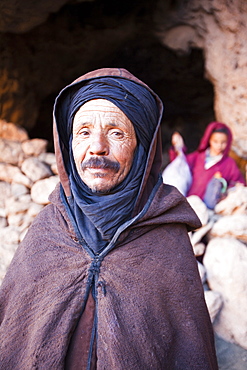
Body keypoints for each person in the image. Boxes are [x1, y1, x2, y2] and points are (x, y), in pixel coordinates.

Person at [0, 68, 218, 369]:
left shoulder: (167, 241)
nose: (97, 146)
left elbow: (188, 352)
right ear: (68, 146)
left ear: (141, 147)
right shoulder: (47, 230)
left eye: (116, 133)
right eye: (84, 132)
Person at [168, 122, 246, 208]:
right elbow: (181, 166)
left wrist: (227, 190)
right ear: (209, 140)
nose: (219, 145)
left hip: (209, 207)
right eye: (215, 141)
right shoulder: (198, 157)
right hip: (190, 201)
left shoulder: (229, 163)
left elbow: (237, 182)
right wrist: (177, 148)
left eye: (223, 142)